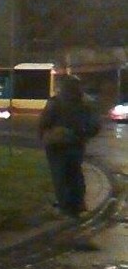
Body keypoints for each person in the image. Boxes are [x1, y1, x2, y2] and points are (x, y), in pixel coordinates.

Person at [39, 75, 100, 217]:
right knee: (75, 173)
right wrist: (83, 135)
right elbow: (95, 126)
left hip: (56, 144)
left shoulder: (56, 102)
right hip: (76, 144)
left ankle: (64, 206)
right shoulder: (86, 103)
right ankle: (78, 204)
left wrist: (43, 135)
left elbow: (45, 122)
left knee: (59, 175)